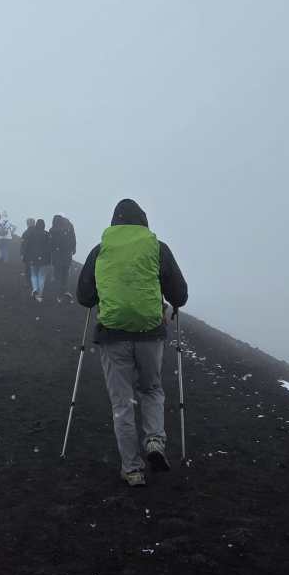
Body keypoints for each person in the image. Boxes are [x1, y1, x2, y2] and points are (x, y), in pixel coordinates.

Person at [77, 199, 188, 487]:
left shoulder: (100, 250)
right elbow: (180, 294)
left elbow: (84, 297)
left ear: (115, 222)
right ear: (143, 221)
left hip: (112, 336)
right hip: (150, 333)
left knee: (122, 402)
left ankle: (133, 469)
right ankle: (154, 440)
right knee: (151, 388)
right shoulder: (157, 247)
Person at [49, 214, 77, 301]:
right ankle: (64, 290)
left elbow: (51, 243)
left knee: (58, 274)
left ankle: (60, 293)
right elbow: (73, 239)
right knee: (65, 273)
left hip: (58, 255)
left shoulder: (53, 229)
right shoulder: (69, 227)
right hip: (67, 254)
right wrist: (73, 249)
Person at [23, 219, 51, 302]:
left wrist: (25, 256)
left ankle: (35, 289)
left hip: (32, 258)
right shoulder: (47, 234)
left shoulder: (31, 234)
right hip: (44, 260)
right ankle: (39, 294)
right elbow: (49, 248)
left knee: (33, 275)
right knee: (41, 276)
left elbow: (27, 246)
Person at [19, 218, 35, 289]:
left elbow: (23, 245)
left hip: (28, 255)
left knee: (28, 269)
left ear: (28, 224)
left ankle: (28, 282)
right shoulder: (40, 232)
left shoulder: (25, 233)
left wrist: (22, 254)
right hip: (38, 254)